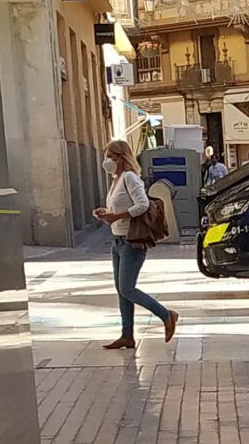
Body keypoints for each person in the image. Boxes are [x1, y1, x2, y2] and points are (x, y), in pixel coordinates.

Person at [94, 139, 178, 349]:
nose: (107, 161)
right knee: (121, 290)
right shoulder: (116, 179)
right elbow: (120, 208)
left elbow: (143, 205)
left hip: (131, 241)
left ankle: (167, 315)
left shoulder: (130, 178)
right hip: (117, 240)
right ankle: (127, 335)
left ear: (121, 158)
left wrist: (117, 216)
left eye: (110, 157)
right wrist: (106, 214)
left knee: (127, 288)